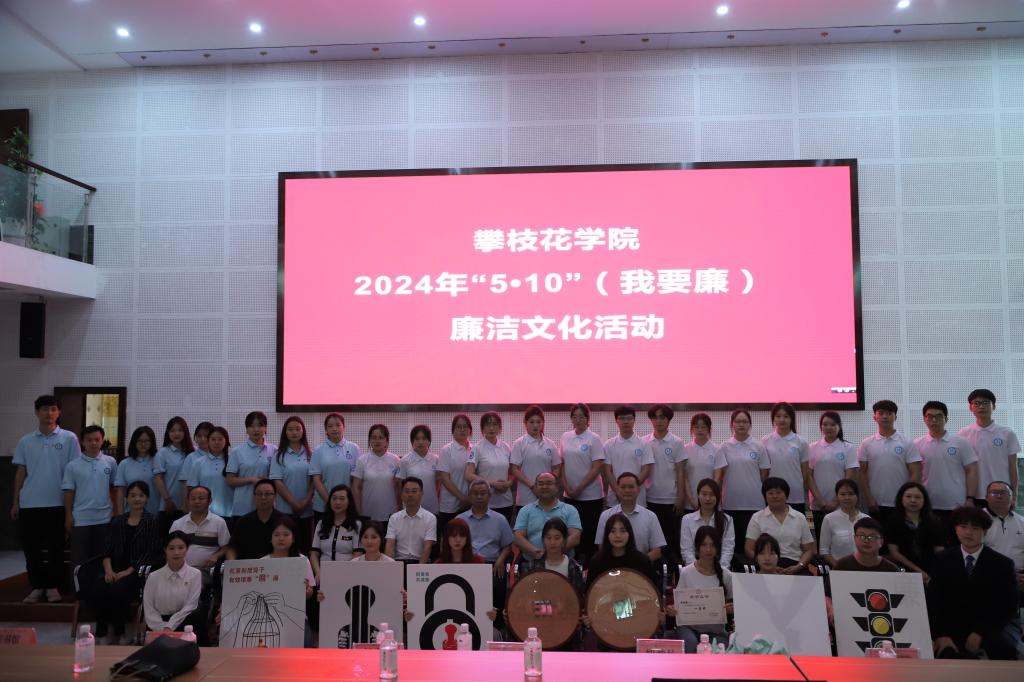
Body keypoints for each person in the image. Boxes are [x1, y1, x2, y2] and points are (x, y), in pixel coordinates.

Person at [11, 394, 81, 603]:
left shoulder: (69, 438)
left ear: (58, 412)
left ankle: (52, 587)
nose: (49, 413)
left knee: (56, 549)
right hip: (30, 503)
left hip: (58, 503)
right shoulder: (25, 441)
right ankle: (37, 586)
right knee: (31, 549)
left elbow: (75, 471)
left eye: (53, 409)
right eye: (44, 409)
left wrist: (72, 506)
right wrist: (15, 501)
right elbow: (20, 472)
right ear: (36, 412)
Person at [927, 506, 1020, 660]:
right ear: (956, 529)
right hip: (951, 628)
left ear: (985, 532)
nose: (968, 532)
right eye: (963, 527)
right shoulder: (942, 559)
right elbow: (934, 602)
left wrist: (980, 632)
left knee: (1004, 650)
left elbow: (1007, 605)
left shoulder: (1002, 564)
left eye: (975, 528)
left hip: (989, 627)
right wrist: (941, 635)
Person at [91, 481, 161, 643]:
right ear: (127, 498)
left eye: (141, 495)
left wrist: (128, 571)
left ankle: (119, 631)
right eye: (132, 495)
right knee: (99, 587)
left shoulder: (152, 521)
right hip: (114, 569)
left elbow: (150, 552)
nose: (137, 499)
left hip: (137, 572)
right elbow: (107, 550)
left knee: (117, 589)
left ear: (147, 498)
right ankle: (102, 632)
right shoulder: (117, 521)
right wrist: (108, 571)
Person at [717, 408, 770, 566]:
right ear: (732, 424)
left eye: (745, 421)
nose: (741, 424)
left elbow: (764, 475)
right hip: (731, 504)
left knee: (753, 546)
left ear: (750, 424)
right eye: (738, 421)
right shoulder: (724, 447)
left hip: (755, 504)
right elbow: (719, 476)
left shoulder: (759, 447)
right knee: (733, 548)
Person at [668, 526, 733, 653]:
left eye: (712, 545)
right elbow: (678, 604)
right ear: (697, 547)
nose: (708, 549)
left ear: (718, 548)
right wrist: (673, 609)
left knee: (719, 649)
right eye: (704, 545)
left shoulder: (726, 575)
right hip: (689, 628)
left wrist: (731, 609)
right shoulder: (686, 572)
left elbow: (736, 606)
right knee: (690, 644)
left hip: (716, 631)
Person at [62, 425, 119, 568]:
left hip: (105, 518)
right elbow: (68, 492)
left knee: (103, 560)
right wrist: (68, 516)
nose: (93, 443)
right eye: (89, 440)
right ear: (82, 442)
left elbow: (114, 489)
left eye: (97, 439)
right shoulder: (72, 466)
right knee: (79, 561)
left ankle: (100, 583)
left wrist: (116, 513)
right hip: (81, 519)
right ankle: (78, 584)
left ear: (102, 440)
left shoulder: (110, 462)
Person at [916, 401, 979, 527]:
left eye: (939, 416)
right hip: (928, 505)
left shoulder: (961, 442)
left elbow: (972, 470)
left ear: (946, 419)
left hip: (957, 505)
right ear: (924, 419)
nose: (934, 420)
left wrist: (970, 498)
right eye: (930, 416)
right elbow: (915, 474)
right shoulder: (917, 444)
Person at [858, 400, 922, 523]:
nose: (885, 416)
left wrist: (907, 497)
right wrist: (868, 498)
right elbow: (861, 473)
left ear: (895, 417)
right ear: (874, 417)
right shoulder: (866, 443)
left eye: (889, 413)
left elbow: (916, 472)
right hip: (875, 503)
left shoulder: (907, 442)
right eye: (881, 413)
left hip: (901, 503)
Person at [559, 402, 605, 566]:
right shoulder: (565, 437)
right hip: (570, 495)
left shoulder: (594, 439)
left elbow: (596, 468)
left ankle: (589, 567)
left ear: (587, 419)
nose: (578, 420)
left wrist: (579, 487)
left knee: (589, 533)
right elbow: (562, 464)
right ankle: (573, 565)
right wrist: (566, 487)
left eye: (582, 417)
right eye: (575, 417)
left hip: (591, 495)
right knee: (572, 531)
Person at [959, 389, 1019, 506]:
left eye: (985, 402)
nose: (981, 406)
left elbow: (1013, 466)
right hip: (973, 495)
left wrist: (1014, 495)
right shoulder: (963, 434)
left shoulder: (1007, 433)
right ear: (971, 408)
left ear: (994, 406)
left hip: (1001, 494)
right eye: (977, 403)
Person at [143, 531, 205, 644]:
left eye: (181, 548)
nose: (176, 552)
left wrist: (170, 626)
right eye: (171, 548)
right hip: (158, 624)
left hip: (184, 622)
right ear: (165, 550)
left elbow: (191, 605)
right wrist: (162, 628)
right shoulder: (153, 577)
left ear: (187, 549)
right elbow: (149, 608)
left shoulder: (195, 574)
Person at [642, 404, 686, 564]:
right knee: (652, 540)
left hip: (670, 499)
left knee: (671, 541)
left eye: (662, 417)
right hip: (649, 498)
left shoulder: (677, 442)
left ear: (668, 420)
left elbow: (681, 471)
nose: (658, 421)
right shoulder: (644, 442)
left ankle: (672, 571)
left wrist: (680, 497)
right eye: (655, 417)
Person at [744, 477, 815, 574]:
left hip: (795, 564)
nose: (775, 496)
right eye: (770, 493)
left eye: (778, 492)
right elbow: (749, 549)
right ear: (765, 496)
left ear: (786, 495)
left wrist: (799, 566)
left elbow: (808, 550)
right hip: (766, 565)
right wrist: (767, 565)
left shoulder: (799, 517)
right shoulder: (757, 518)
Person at [807, 411, 858, 538]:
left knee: (842, 538)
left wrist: (836, 500)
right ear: (821, 427)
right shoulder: (812, 447)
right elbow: (809, 476)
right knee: (821, 539)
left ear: (839, 426)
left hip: (842, 503)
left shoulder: (848, 447)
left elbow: (849, 476)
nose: (828, 427)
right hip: (818, 504)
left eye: (833, 424)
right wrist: (819, 499)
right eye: (825, 424)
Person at [885, 481, 946, 584]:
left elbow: (939, 551)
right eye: (908, 496)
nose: (913, 500)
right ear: (901, 498)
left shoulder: (934, 522)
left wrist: (934, 572)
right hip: (903, 570)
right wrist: (918, 571)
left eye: (917, 497)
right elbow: (894, 553)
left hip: (931, 571)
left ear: (924, 500)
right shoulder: (893, 522)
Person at [595, 473, 665, 561]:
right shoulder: (606, 516)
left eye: (631, 487)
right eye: (623, 487)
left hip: (641, 567)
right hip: (613, 566)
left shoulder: (651, 516)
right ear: (617, 490)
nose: (627, 490)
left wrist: (636, 564)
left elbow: (657, 551)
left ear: (638, 490)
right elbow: (601, 547)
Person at [514, 472, 582, 562]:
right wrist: (536, 553)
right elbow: (518, 537)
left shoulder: (570, 509)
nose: (544, 486)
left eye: (549, 483)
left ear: (557, 487)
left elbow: (575, 537)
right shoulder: (525, 510)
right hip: (532, 561)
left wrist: (553, 553)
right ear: (535, 487)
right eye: (540, 484)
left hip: (563, 561)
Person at [169, 485, 230, 584]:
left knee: (190, 584)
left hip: (205, 570)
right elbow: (169, 547)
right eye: (193, 499)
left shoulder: (219, 522)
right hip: (179, 568)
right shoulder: (178, 523)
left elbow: (226, 546)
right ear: (188, 501)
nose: (197, 501)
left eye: (201, 498)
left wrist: (216, 556)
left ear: (210, 501)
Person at [271, 416, 314, 553]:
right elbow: (277, 482)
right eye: (290, 429)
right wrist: (295, 503)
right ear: (285, 432)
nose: (294, 432)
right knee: (286, 549)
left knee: (305, 548)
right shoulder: (279, 455)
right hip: (285, 511)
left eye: (297, 429)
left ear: (303, 431)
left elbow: (314, 480)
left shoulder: (310, 454)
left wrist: (305, 501)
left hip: (307, 510)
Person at [309, 413, 361, 526]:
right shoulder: (318, 450)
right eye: (330, 426)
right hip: (323, 506)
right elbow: (316, 480)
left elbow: (355, 480)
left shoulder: (354, 448)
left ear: (344, 427)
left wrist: (349, 503)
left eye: (338, 425)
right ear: (326, 430)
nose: (334, 429)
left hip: (347, 506)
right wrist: (330, 501)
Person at [510, 406, 562, 514]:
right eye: (532, 422)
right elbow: (514, 469)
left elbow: (557, 467)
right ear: (525, 423)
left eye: (538, 422)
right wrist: (532, 486)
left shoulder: (550, 444)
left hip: (547, 498)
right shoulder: (519, 443)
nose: (535, 425)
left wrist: (548, 484)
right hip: (525, 498)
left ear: (543, 423)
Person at [761, 402, 812, 514]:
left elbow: (805, 473)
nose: (782, 419)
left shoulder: (801, 442)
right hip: (772, 494)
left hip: (795, 495)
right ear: (773, 419)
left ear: (791, 419)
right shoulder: (765, 441)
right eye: (778, 416)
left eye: (786, 416)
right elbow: (764, 472)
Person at [465, 412, 514, 524]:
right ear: (482, 428)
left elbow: (512, 472)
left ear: (500, 428)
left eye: (495, 424)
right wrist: (492, 483)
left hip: (506, 501)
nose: (491, 428)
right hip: (485, 502)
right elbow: (468, 475)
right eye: (488, 425)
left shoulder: (506, 447)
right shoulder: (477, 448)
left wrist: (508, 484)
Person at [225, 411, 274, 521]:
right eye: (251, 426)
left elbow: (278, 479)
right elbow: (230, 480)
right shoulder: (237, 451)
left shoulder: (274, 450)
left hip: (267, 507)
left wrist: (267, 480)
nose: (256, 429)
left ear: (265, 428)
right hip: (243, 507)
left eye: (260, 425)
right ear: (246, 429)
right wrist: (251, 479)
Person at [602, 405, 655, 507]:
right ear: (616, 421)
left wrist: (631, 489)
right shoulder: (609, 444)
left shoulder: (644, 444)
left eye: (629, 418)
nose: (625, 422)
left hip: (638, 499)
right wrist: (618, 491)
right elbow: (607, 471)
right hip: (614, 499)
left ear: (634, 420)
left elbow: (646, 470)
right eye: (622, 418)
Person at [587, 513, 657, 587]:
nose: (618, 535)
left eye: (623, 531)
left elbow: (654, 589)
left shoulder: (642, 561)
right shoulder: (597, 562)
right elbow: (590, 591)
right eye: (613, 531)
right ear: (607, 535)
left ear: (629, 534)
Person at [310, 484, 362, 584]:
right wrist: (318, 572)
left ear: (349, 502)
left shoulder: (356, 525)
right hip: (324, 573)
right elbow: (314, 553)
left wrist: (345, 573)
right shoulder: (322, 523)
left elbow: (357, 555)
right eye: (334, 498)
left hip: (348, 574)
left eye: (342, 499)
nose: (337, 502)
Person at [680, 478, 734, 569]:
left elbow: (727, 550)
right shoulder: (687, 519)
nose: (708, 498)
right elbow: (687, 551)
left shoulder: (727, 520)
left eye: (712, 495)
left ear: (717, 497)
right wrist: (697, 570)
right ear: (698, 495)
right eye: (704, 494)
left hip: (718, 566)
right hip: (694, 567)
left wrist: (720, 570)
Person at [352, 424, 401, 526]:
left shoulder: (395, 460)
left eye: (381, 438)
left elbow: (399, 488)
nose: (377, 441)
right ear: (369, 440)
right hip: (367, 514)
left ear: (387, 441)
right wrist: (358, 512)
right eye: (373, 438)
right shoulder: (362, 460)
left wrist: (400, 510)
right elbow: (356, 487)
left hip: (391, 514)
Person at [152, 416, 194, 532]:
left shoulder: (192, 452)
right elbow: (158, 478)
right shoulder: (163, 453)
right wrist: (167, 499)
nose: (176, 433)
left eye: (180, 430)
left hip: (191, 506)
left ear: (185, 432)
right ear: (168, 433)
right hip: (170, 506)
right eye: (173, 430)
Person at [520, 518, 585, 591]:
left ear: (564, 540)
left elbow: (578, 595)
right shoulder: (533, 566)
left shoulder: (574, 567)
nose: (552, 542)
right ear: (543, 540)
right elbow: (527, 593)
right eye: (548, 538)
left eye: (557, 538)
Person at [227, 479, 284, 560]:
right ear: (254, 497)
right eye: (259, 494)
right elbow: (232, 548)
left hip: (275, 565)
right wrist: (232, 563)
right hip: (248, 565)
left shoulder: (283, 521)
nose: (263, 497)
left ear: (275, 496)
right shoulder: (243, 522)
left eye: (267, 494)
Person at [817, 478, 869, 568]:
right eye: (843, 494)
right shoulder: (829, 519)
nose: (847, 498)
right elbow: (824, 550)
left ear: (857, 496)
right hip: (839, 568)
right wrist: (839, 567)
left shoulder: (866, 519)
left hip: (864, 568)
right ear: (837, 497)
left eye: (851, 494)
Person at [983, 481, 1024, 593]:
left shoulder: (1022, 522)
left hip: (1019, 578)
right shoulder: (977, 521)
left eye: (1004, 493)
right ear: (986, 497)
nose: (999, 496)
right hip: (986, 577)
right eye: (994, 493)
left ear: (1012, 498)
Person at [262, 516, 316, 601]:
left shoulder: (302, 560)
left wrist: (307, 590)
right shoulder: (262, 562)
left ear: (293, 538)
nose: (281, 538)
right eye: (276, 535)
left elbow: (309, 594)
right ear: (270, 538)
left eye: (286, 535)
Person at [186, 425, 233, 519]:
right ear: (208, 441)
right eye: (213, 439)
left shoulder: (233, 461)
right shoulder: (198, 463)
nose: (216, 442)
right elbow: (192, 488)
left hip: (230, 512)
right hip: (205, 514)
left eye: (220, 439)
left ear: (226, 441)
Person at [385, 477, 437, 563]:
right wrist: (391, 567)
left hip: (420, 562)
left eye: (414, 491)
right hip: (398, 562)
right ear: (401, 494)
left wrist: (418, 568)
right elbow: (390, 544)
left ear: (422, 493)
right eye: (406, 491)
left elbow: (427, 546)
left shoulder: (430, 518)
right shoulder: (394, 518)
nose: (410, 495)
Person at [437, 414, 474, 533]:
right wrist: (462, 497)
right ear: (453, 431)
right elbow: (444, 478)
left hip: (470, 505)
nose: (462, 430)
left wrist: (470, 499)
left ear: (470, 430)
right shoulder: (447, 450)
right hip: (450, 506)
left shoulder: (475, 449)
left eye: (465, 426)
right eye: (458, 427)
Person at [115, 426, 161, 516]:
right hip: (131, 514)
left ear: (152, 442)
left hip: (154, 513)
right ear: (134, 442)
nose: (143, 444)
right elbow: (120, 492)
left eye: (147, 441)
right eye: (139, 441)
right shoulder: (124, 464)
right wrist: (120, 515)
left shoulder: (158, 461)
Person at [397, 425, 441, 515]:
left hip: (432, 507)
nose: (420, 442)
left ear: (429, 441)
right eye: (417, 439)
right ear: (412, 441)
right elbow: (400, 485)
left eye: (424, 438)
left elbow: (438, 483)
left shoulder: (436, 459)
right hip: (410, 508)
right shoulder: (405, 461)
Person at [832, 517, 900, 573]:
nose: (866, 541)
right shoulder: (842, 566)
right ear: (855, 538)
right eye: (862, 536)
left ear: (881, 542)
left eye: (872, 537)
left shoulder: (892, 570)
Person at [682, 414, 719, 513]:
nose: (700, 430)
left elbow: (717, 477)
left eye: (703, 427)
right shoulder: (685, 449)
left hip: (711, 502)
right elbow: (684, 477)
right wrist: (691, 499)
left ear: (709, 429)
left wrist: (709, 497)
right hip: (690, 503)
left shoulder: (717, 449)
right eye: (696, 427)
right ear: (692, 429)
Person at [178, 422, 214, 510]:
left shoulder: (222, 457)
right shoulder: (191, 458)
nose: (203, 439)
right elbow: (185, 483)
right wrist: (186, 504)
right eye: (199, 436)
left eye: (206, 436)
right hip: (198, 505)